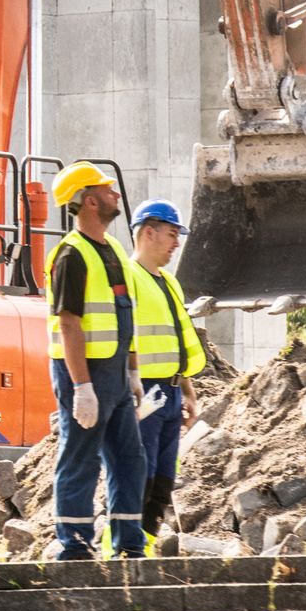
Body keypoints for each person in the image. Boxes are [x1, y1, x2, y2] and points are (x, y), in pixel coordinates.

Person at [44, 161, 147, 560]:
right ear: (90, 201)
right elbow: (69, 324)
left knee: (130, 458)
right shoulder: (71, 255)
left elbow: (125, 312)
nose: (115, 194)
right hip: (84, 373)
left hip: (115, 373)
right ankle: (74, 543)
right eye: (107, 190)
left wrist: (132, 371)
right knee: (80, 455)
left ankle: (129, 543)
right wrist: (82, 387)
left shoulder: (114, 249)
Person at [127, 198, 205, 545]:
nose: (177, 243)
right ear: (149, 233)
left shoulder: (170, 283)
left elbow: (178, 338)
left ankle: (144, 543)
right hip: (146, 391)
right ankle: (125, 546)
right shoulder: (129, 278)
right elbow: (125, 338)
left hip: (171, 392)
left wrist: (188, 391)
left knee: (163, 478)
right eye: (172, 235)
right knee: (138, 473)